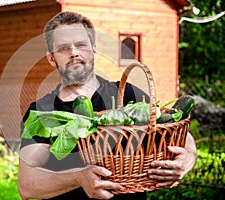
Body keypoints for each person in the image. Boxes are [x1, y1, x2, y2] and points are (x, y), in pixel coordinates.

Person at [18, 11, 197, 200]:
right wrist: (78, 178)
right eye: (63, 48)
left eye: (81, 45)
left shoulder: (127, 94)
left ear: (93, 49)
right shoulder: (42, 111)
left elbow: (178, 131)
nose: (74, 53)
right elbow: (27, 185)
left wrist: (188, 158)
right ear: (51, 58)